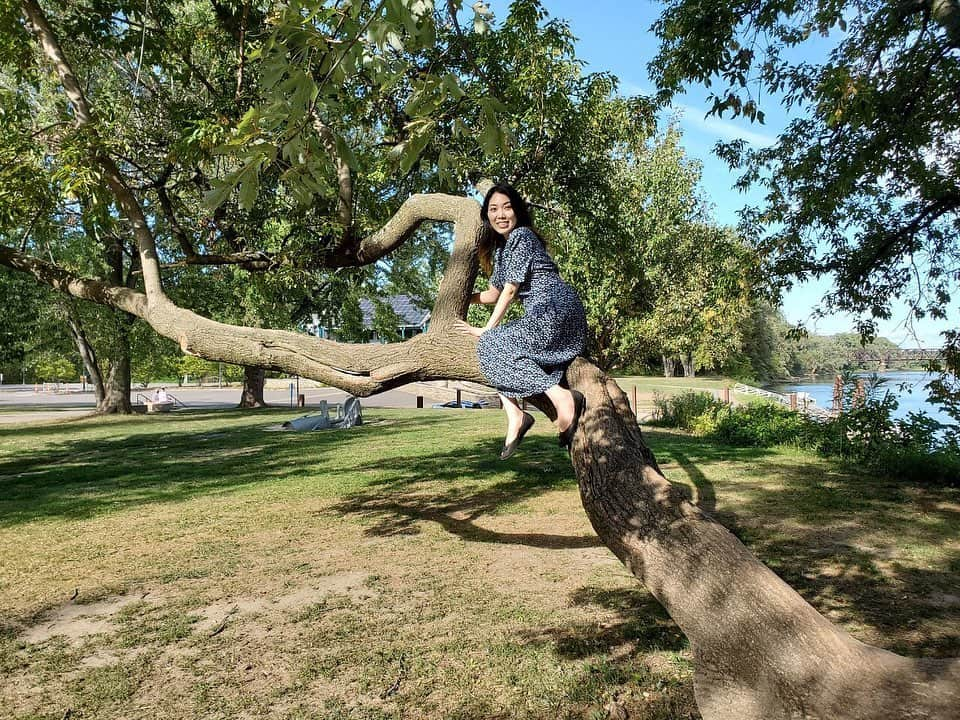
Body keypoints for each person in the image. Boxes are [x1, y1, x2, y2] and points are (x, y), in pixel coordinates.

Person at [456, 182, 587, 459]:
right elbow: (493, 294)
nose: (501, 215)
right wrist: (462, 297)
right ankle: (515, 412)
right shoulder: (503, 251)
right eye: (493, 209)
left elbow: (511, 289)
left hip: (555, 309)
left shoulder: (522, 237)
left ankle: (561, 398)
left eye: (507, 207)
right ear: (487, 216)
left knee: (490, 342)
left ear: (517, 211)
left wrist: (487, 328)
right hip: (551, 315)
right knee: (491, 349)